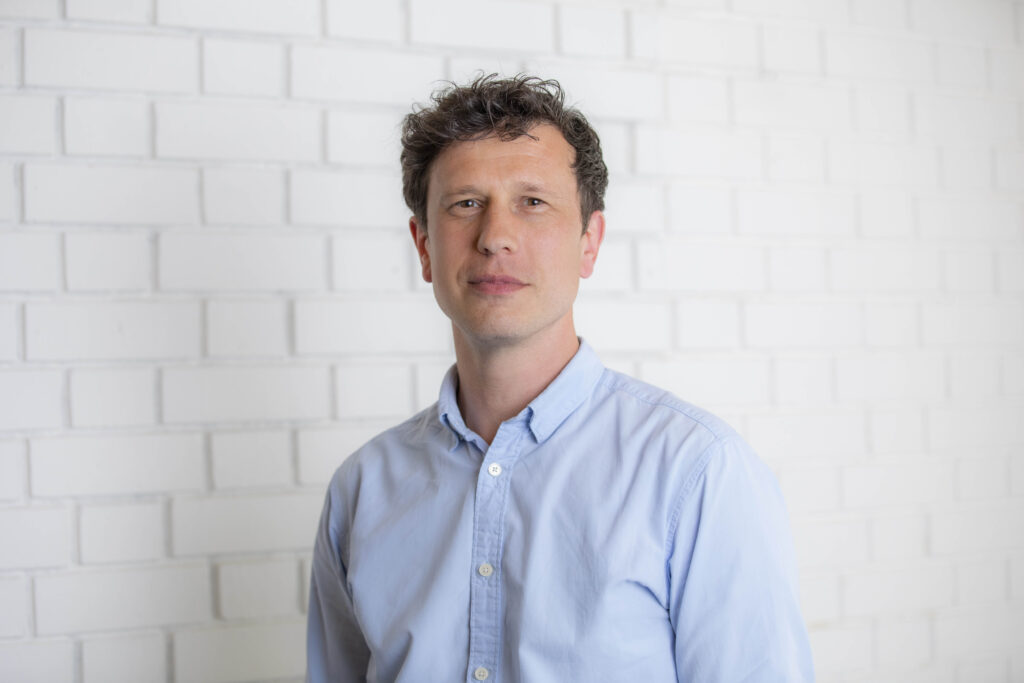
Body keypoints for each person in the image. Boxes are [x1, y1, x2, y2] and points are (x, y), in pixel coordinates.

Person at [307, 74, 814, 682]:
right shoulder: (361, 493)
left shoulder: (696, 475)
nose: (495, 237)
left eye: (533, 202)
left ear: (589, 243)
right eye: (466, 203)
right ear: (423, 246)